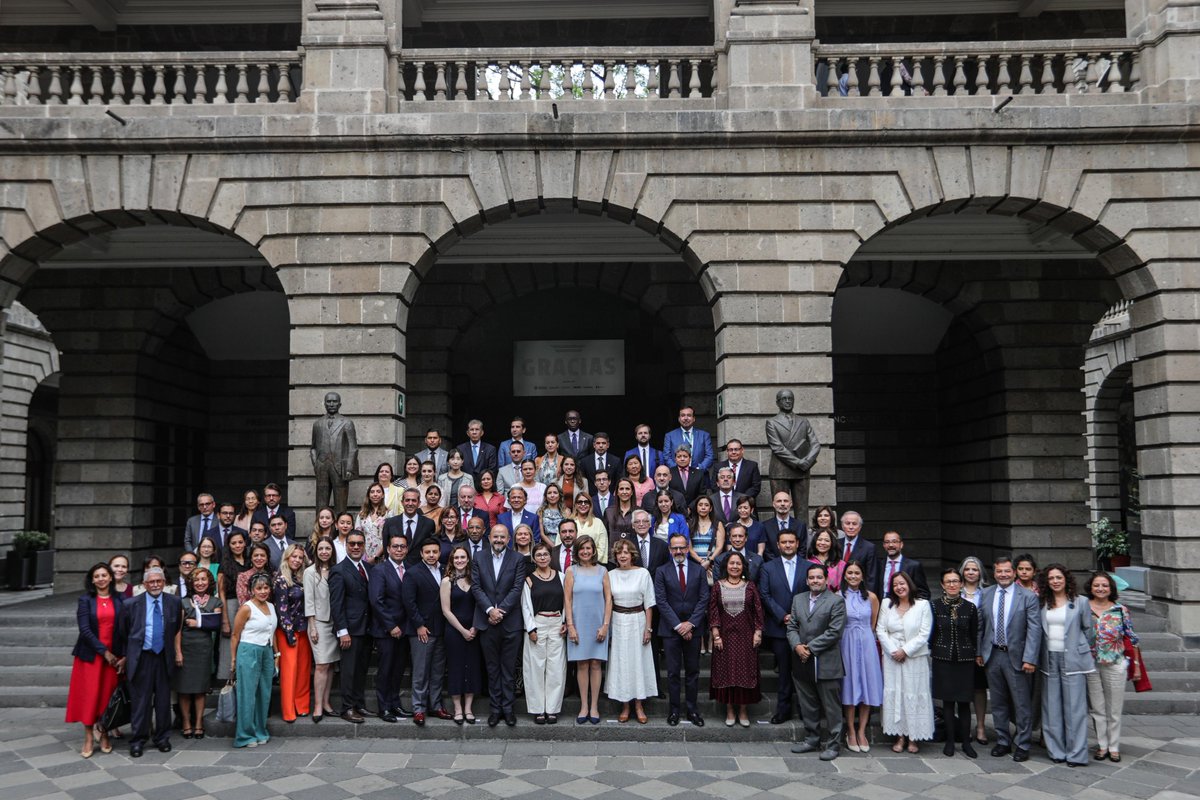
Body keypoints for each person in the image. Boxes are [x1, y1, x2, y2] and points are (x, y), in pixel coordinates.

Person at [976, 556, 1042, 762]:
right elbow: (980, 626)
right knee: (997, 701)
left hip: (1017, 657)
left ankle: (1022, 743)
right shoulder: (986, 594)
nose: (1003, 575)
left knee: (1021, 703)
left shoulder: (1027, 596)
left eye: (1007, 571)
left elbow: (1034, 629)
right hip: (992, 654)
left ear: (1014, 573)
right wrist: (979, 652)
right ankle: (1003, 740)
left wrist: (1030, 658)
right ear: (994, 573)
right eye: (999, 571)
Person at [120, 566, 182, 758]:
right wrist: (126, 657)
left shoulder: (174, 602)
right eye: (151, 582)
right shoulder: (131, 604)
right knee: (141, 701)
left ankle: (162, 738)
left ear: (164, 583)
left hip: (164, 656)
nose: (155, 584)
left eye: (159, 581)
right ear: (144, 584)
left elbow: (176, 627)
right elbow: (123, 633)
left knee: (163, 701)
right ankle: (138, 739)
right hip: (142, 657)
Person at [787, 563, 846, 761]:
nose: (815, 581)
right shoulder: (798, 599)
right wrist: (797, 646)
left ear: (826, 579)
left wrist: (810, 648)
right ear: (806, 580)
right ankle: (811, 739)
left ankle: (834, 744)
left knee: (831, 707)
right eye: (811, 578)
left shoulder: (836, 601)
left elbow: (835, 631)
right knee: (808, 703)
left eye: (819, 577)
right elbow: (792, 626)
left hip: (826, 661)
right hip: (802, 660)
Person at [1039, 564, 1095, 767]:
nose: (1055, 581)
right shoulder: (1042, 602)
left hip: (1073, 659)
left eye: (1058, 577)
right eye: (1051, 578)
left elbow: (1088, 630)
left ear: (1066, 579)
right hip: (1049, 658)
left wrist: (1078, 649)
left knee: (1075, 709)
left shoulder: (1080, 602)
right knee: (1051, 707)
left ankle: (1076, 754)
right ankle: (1056, 751)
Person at [471, 524, 527, 727]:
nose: (499, 540)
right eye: (496, 536)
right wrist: (489, 610)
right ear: (489, 537)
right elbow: (476, 587)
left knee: (509, 668)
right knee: (492, 668)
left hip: (510, 622)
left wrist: (500, 611)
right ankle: (495, 710)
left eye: (503, 537)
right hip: (487, 622)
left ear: (509, 539)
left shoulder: (518, 559)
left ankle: (508, 709)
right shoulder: (478, 557)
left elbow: (517, 588)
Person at [67, 563, 124, 758]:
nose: (101, 579)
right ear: (92, 580)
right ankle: (89, 736)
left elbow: (123, 629)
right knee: (90, 696)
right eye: (97, 576)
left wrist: (119, 655)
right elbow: (85, 630)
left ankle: (105, 732)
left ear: (110, 578)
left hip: (113, 659)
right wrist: (103, 651)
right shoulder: (85, 600)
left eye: (104, 575)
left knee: (107, 696)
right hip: (91, 657)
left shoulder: (120, 600)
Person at [654, 532, 709, 727]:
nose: (678, 551)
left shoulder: (699, 570)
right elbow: (661, 600)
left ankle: (693, 710)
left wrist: (690, 624)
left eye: (681, 547)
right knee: (673, 673)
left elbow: (704, 598)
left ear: (687, 549)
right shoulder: (661, 571)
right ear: (669, 550)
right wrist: (678, 626)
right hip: (670, 630)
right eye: (674, 548)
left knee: (693, 671)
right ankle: (674, 710)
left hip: (694, 630)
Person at [876, 570, 934, 753]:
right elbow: (880, 630)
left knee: (914, 694)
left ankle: (914, 737)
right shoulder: (887, 604)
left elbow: (924, 633)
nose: (899, 587)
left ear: (909, 584)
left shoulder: (922, 605)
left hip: (914, 657)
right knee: (896, 695)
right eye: (895, 585)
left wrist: (905, 651)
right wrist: (894, 651)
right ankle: (899, 736)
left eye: (902, 583)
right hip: (892, 658)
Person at [709, 550, 764, 727]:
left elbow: (758, 611)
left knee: (745, 673)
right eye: (731, 563)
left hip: (746, 638)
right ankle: (730, 710)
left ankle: (743, 710)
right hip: (725, 638)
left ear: (743, 567)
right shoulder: (718, 585)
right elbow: (713, 611)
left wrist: (758, 632)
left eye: (738, 564)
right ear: (726, 566)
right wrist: (716, 635)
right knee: (726, 672)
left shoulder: (750, 586)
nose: (734, 566)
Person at [1086, 571, 1137, 763]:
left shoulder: (1120, 610)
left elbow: (1132, 637)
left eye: (1104, 585)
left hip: (1115, 663)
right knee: (1097, 708)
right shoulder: (1084, 607)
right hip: (1091, 664)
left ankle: (1114, 746)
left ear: (1111, 589)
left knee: (1114, 709)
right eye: (1097, 585)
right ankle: (1102, 745)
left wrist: (1133, 663)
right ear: (1090, 587)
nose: (1100, 589)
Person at [605, 538, 657, 724]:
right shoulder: (610, 575)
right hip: (618, 622)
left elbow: (649, 604)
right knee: (622, 663)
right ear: (616, 556)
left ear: (632, 555)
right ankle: (625, 705)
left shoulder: (643, 573)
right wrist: (607, 627)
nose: (623, 556)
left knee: (638, 663)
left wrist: (648, 629)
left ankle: (639, 705)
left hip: (638, 620)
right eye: (620, 553)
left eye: (626, 552)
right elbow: (608, 603)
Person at [931, 567, 979, 758]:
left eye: (955, 581)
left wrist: (974, 655)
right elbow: (932, 632)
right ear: (943, 585)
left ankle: (966, 742)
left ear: (961, 584)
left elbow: (974, 634)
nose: (952, 585)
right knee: (948, 702)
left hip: (965, 660)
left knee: (965, 703)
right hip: (943, 659)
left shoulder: (970, 607)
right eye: (948, 581)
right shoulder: (934, 606)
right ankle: (950, 741)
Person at [758, 529, 804, 724]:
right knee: (784, 671)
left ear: (797, 544)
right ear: (777, 545)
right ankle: (783, 710)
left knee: (803, 671)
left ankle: (805, 710)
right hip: (779, 627)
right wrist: (783, 616)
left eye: (791, 542)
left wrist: (799, 617)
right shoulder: (768, 567)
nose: (787, 545)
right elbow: (765, 595)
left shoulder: (808, 566)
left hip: (804, 628)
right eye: (784, 542)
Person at [564, 534, 611, 724]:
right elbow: (567, 599)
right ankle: (584, 705)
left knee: (596, 664)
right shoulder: (571, 571)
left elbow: (609, 599)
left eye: (588, 548)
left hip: (598, 624)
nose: (585, 551)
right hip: (578, 623)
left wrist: (605, 625)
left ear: (593, 550)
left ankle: (594, 706)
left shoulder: (603, 571)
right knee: (582, 664)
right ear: (577, 551)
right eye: (582, 548)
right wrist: (570, 626)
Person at [404, 537, 451, 725]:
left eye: (435, 552)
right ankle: (419, 709)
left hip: (442, 629)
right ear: (422, 554)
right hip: (421, 630)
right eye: (428, 552)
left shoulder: (446, 569)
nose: (431, 555)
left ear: (439, 552)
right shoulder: (413, 573)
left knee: (438, 671)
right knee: (421, 671)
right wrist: (419, 625)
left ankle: (436, 705)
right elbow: (409, 602)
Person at [229, 573, 279, 748]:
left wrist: (277, 655)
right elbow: (235, 635)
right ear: (251, 590)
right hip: (248, 650)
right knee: (247, 694)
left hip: (266, 652)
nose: (263, 591)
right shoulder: (246, 608)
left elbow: (272, 633)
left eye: (266, 587)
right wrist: (234, 659)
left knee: (264, 693)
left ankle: (260, 730)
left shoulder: (272, 607)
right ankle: (244, 735)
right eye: (259, 588)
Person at [838, 561, 883, 756]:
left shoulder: (872, 597)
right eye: (850, 573)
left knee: (867, 685)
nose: (853, 576)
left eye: (857, 573)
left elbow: (873, 623)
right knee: (849, 685)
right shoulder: (838, 596)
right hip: (846, 641)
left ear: (863, 576)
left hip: (866, 642)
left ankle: (862, 730)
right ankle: (850, 729)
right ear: (845, 575)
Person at [329, 531, 373, 723]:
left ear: (364, 546)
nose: (356, 547)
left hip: (367, 628)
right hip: (350, 630)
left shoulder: (369, 568)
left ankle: (359, 704)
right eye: (352, 544)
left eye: (359, 544)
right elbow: (336, 604)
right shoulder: (339, 570)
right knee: (348, 670)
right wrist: (342, 631)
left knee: (361, 669)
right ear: (346, 546)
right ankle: (347, 708)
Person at [174, 567, 221, 740]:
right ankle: (186, 723)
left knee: (201, 689)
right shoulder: (183, 602)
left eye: (203, 579)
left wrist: (198, 623)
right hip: (186, 647)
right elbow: (177, 629)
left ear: (209, 581)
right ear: (191, 583)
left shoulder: (215, 602)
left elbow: (216, 623)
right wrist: (177, 651)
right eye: (196, 580)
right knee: (185, 689)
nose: (200, 583)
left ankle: (199, 723)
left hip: (203, 649)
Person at [522, 542, 567, 724]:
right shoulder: (529, 579)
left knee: (556, 668)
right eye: (538, 555)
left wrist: (565, 622)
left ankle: (552, 709)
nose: (542, 557)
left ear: (550, 557)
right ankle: (538, 708)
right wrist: (530, 628)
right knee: (535, 668)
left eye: (545, 554)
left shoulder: (562, 577)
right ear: (534, 558)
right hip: (538, 624)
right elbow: (525, 605)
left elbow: (567, 602)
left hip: (557, 623)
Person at [370, 532, 411, 723]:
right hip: (387, 630)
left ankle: (395, 704)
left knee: (398, 669)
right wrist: (391, 626)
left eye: (402, 546)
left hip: (405, 630)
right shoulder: (379, 570)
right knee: (385, 669)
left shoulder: (410, 569)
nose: (399, 550)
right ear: (388, 549)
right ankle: (384, 707)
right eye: (395, 546)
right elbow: (376, 601)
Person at [441, 544, 482, 724]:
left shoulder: (475, 580)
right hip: (454, 631)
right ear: (452, 560)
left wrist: (474, 628)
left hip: (474, 629)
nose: (459, 561)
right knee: (456, 667)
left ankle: (468, 708)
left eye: (462, 557)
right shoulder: (446, 581)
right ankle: (457, 708)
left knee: (472, 667)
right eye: (456, 558)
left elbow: (480, 605)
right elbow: (446, 611)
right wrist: (463, 630)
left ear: (468, 560)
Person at [765, 389, 821, 516]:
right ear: (777, 402)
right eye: (784, 399)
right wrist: (798, 462)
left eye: (790, 398)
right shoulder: (772, 422)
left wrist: (807, 461)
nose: (788, 401)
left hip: (802, 471)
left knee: (802, 511)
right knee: (780, 511)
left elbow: (815, 444)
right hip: (780, 471)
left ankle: (802, 536)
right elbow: (777, 447)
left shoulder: (803, 421)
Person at [273, 544, 312, 723]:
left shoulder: (304, 576)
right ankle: (289, 711)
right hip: (287, 631)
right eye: (293, 556)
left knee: (303, 670)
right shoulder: (280, 579)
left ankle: (302, 706)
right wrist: (289, 633)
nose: (297, 560)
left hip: (304, 629)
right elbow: (281, 610)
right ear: (287, 558)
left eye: (300, 557)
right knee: (289, 672)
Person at [303, 537, 340, 723]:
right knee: (321, 664)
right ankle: (317, 705)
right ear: (316, 551)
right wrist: (312, 626)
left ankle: (326, 702)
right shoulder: (310, 572)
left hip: (336, 623)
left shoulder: (337, 570)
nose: (324, 551)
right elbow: (308, 600)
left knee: (331, 663)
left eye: (327, 548)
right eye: (321, 548)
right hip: (319, 622)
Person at [310, 390, 359, 512]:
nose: (331, 404)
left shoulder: (347, 423)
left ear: (339, 404)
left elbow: (353, 447)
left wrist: (349, 468)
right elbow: (313, 448)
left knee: (341, 505)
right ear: (325, 404)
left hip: (340, 468)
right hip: (322, 467)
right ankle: (320, 530)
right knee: (321, 504)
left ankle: (341, 530)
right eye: (329, 401)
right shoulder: (317, 423)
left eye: (334, 401)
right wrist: (316, 464)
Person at [959, 555, 990, 745]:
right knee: (962, 688)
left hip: (980, 647)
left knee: (979, 688)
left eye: (975, 569)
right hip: (960, 647)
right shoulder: (955, 591)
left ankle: (980, 726)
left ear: (980, 572)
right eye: (968, 569)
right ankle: (964, 727)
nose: (971, 572)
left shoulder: (987, 594)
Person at [216, 531, 250, 681]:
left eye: (240, 542)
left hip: (248, 605)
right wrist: (224, 620)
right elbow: (221, 592)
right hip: (230, 604)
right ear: (228, 546)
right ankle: (225, 679)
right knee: (228, 642)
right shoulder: (225, 564)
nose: (237, 545)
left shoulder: (250, 561)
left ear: (245, 543)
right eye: (233, 543)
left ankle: (243, 677)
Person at [384, 488, 435, 562]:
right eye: (407, 500)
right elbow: (386, 549)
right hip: (397, 568)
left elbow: (430, 547)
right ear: (402, 502)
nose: (410, 504)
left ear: (419, 503)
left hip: (419, 569)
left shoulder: (428, 524)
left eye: (414, 500)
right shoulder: (390, 523)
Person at [875, 531, 930, 600]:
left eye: (894, 542)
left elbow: (923, 593)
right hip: (882, 607)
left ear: (901, 544)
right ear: (884, 545)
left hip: (905, 607)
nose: (890, 545)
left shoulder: (913, 566)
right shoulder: (878, 565)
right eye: (887, 542)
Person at [688, 496, 724, 594]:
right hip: (695, 565)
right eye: (700, 505)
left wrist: (709, 561)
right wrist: (701, 562)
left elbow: (719, 547)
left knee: (713, 593)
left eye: (706, 505)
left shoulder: (717, 524)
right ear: (696, 508)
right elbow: (689, 548)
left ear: (711, 508)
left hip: (712, 566)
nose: (703, 507)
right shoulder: (689, 524)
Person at [663, 405, 714, 474]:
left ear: (694, 418)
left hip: (699, 475)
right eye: (683, 415)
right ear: (679, 419)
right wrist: (677, 470)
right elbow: (666, 457)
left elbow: (709, 456)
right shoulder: (670, 436)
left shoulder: (704, 435)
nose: (686, 418)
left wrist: (699, 469)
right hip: (677, 477)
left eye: (689, 415)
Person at [761, 490, 806, 561]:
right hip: (773, 568)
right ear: (773, 504)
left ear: (790, 504)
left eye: (785, 501)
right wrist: (779, 566)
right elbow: (767, 551)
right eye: (779, 501)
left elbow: (802, 550)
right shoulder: (765, 526)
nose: (782, 504)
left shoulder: (800, 525)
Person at [458, 418, 499, 486]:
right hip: (465, 486)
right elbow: (458, 468)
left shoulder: (490, 449)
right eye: (472, 430)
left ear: (482, 432)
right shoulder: (460, 448)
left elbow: (492, 470)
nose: (474, 432)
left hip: (484, 486)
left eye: (477, 429)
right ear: (468, 433)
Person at [571, 493, 609, 565]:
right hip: (571, 564)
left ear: (590, 505)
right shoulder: (569, 521)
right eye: (580, 502)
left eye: (586, 502)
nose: (583, 504)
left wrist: (592, 562)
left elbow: (602, 546)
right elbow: (561, 544)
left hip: (593, 565)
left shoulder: (598, 522)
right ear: (575, 505)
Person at [357, 483, 391, 562]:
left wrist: (376, 556)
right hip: (364, 555)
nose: (375, 494)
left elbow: (390, 538)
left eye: (378, 491)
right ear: (368, 495)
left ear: (383, 495)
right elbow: (358, 535)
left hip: (382, 557)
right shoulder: (361, 514)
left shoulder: (389, 514)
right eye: (372, 492)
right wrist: (365, 556)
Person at [603, 477, 638, 545]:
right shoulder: (608, 512)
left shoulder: (639, 512)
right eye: (621, 489)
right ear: (617, 492)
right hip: (613, 553)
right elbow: (605, 537)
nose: (624, 492)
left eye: (627, 489)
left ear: (632, 492)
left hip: (633, 553)